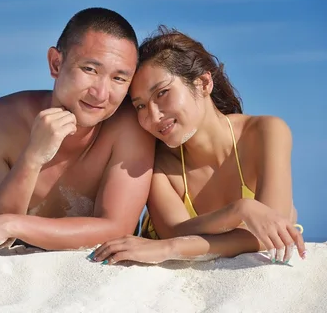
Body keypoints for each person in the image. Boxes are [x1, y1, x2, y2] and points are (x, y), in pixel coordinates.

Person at [0, 7, 155, 257]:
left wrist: (12, 224)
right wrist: (32, 158)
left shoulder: (129, 126)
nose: (101, 93)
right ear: (56, 63)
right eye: (90, 69)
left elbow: (117, 229)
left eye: (119, 79)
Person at [90, 26, 306, 266]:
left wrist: (170, 248)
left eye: (162, 93)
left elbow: (271, 233)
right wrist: (240, 211)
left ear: (203, 83)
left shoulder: (265, 132)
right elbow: (176, 232)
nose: (153, 115)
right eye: (140, 105)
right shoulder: (158, 161)